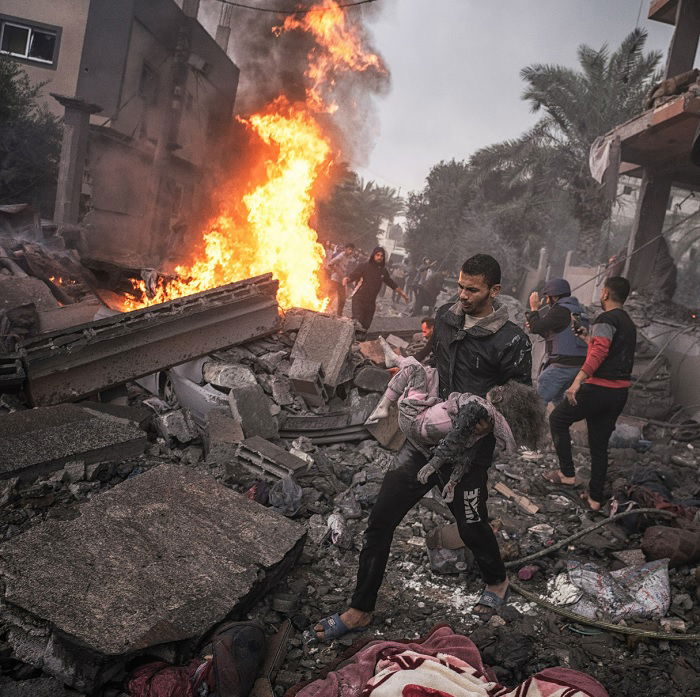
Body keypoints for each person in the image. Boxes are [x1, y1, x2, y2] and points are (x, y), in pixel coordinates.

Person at [314, 254, 532, 641]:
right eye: (460, 286)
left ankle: (497, 581)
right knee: (380, 521)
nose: (462, 295)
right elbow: (432, 357)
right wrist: (405, 372)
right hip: (425, 440)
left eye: (472, 289)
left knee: (471, 523)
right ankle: (360, 609)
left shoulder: (512, 340)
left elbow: (519, 398)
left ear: (494, 291)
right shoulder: (448, 318)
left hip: (468, 454)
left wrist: (485, 418)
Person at [365, 342, 542, 503]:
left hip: (414, 419)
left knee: (415, 369)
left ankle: (385, 401)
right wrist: (453, 480)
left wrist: (435, 463)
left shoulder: (480, 408)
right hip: (423, 431)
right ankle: (395, 361)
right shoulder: (483, 424)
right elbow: (465, 452)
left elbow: (457, 437)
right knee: (425, 372)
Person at [546, 276, 636, 512]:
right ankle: (595, 499)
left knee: (557, 419)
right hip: (619, 394)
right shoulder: (628, 323)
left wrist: (577, 382)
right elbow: (608, 351)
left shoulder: (605, 318)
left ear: (605, 294)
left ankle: (567, 474)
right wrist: (588, 339)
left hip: (598, 389)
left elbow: (599, 354)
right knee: (599, 445)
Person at [525, 278, 588, 406]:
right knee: (559, 400)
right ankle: (560, 422)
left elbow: (536, 327)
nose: (547, 301)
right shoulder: (577, 310)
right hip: (579, 366)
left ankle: (534, 425)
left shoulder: (560, 310)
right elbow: (559, 334)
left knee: (537, 402)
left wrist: (533, 308)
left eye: (548, 298)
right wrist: (535, 323)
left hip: (562, 366)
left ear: (554, 296)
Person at [345, 247, 409, 330]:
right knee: (357, 323)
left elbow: (391, 283)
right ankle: (348, 339)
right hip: (359, 299)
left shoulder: (383, 271)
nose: (379, 257)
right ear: (373, 255)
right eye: (377, 255)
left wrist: (403, 294)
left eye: (382, 256)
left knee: (365, 326)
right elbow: (353, 275)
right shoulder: (364, 266)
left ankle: (359, 342)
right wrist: (347, 279)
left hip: (371, 302)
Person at [326, 242, 356, 317]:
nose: (351, 251)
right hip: (335, 279)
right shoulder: (341, 256)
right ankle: (324, 310)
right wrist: (339, 272)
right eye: (349, 249)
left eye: (352, 250)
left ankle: (339, 315)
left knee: (342, 299)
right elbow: (330, 264)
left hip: (342, 281)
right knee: (330, 296)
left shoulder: (349, 258)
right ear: (345, 249)